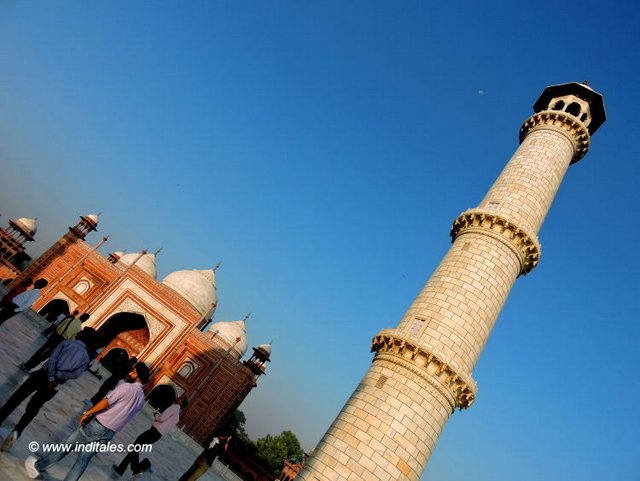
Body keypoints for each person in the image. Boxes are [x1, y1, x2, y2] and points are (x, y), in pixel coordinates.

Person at [24, 362, 151, 481]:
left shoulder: (126, 387)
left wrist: (88, 412)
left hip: (97, 425)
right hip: (109, 433)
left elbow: (106, 402)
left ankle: (38, 466)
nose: (130, 373)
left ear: (137, 375)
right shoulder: (141, 399)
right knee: (83, 460)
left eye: (133, 372)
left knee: (66, 446)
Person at [0, 328, 98, 450]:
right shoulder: (85, 358)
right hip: (55, 385)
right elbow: (75, 374)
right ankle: (17, 431)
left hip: (42, 375)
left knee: (16, 398)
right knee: (34, 408)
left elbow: (52, 359)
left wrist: (51, 376)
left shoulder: (66, 343)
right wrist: (57, 378)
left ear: (81, 335)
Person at [113, 395, 188, 476]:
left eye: (181, 398)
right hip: (158, 435)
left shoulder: (173, 408)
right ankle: (122, 468)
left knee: (135, 448)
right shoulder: (177, 416)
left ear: (181, 403)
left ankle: (136, 468)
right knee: (135, 449)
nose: (178, 398)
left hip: (154, 431)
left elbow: (162, 418)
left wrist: (156, 414)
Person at [22, 313, 91, 371]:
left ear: (80, 316)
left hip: (55, 336)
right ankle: (30, 366)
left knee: (42, 349)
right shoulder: (79, 328)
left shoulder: (69, 320)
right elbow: (72, 339)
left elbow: (58, 327)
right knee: (47, 354)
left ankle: (27, 363)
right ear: (85, 320)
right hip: (62, 341)